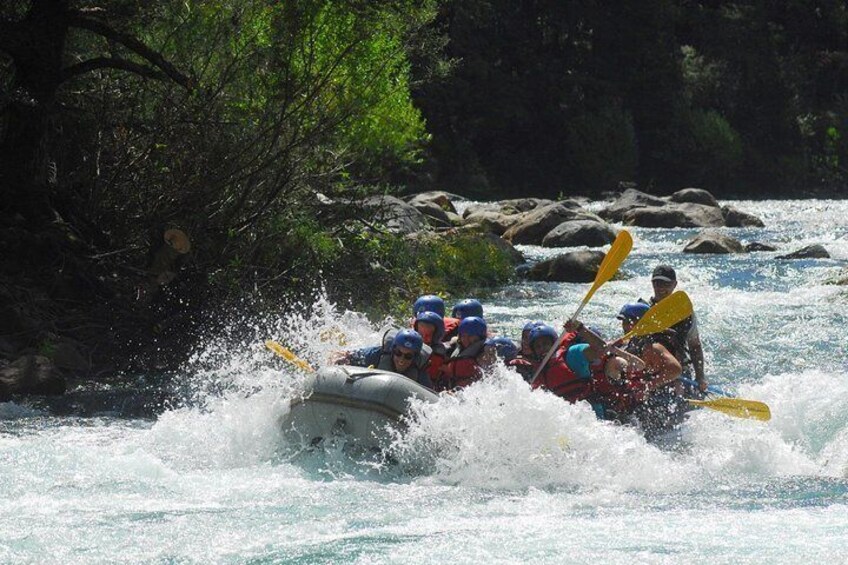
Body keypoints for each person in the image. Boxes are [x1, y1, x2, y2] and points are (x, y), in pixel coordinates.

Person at [603, 302, 684, 438]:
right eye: (624, 322)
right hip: (636, 400)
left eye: (629, 322)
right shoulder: (630, 342)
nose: (625, 326)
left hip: (657, 404)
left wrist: (647, 387)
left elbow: (675, 370)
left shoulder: (653, 347)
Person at [644, 265, 707, 396]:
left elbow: (695, 346)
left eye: (666, 283)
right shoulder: (642, 309)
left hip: (679, 370)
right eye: (657, 283)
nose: (661, 287)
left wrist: (700, 377)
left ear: (674, 285)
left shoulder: (685, 313)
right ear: (652, 283)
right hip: (649, 368)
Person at [335, 328, 433, 389]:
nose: (401, 360)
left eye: (408, 356)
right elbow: (348, 356)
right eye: (398, 353)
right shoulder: (377, 355)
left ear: (415, 357)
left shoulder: (419, 373)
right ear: (392, 351)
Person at [528, 324, 601, 403]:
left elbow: (601, 348)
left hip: (589, 409)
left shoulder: (572, 355)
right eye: (538, 347)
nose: (542, 348)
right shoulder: (539, 374)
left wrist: (580, 328)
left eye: (545, 343)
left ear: (554, 344)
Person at [435, 316, 492, 392]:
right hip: (451, 388)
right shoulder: (456, 345)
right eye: (463, 336)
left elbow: (483, 377)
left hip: (470, 392)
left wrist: (451, 371)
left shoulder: (485, 352)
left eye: (471, 336)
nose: (466, 339)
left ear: (480, 337)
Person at [413, 310, 447, 383]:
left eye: (427, 335)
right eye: (421, 334)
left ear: (436, 335)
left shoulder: (441, 352)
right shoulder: (409, 345)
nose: (423, 338)